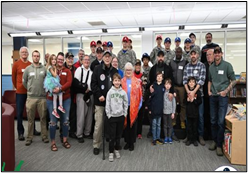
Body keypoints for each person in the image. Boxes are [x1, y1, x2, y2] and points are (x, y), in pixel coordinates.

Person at [208, 46, 236, 156]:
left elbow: (234, 81)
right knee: (213, 120)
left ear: (222, 54)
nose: (217, 54)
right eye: (215, 53)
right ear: (214, 54)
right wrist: (209, 91)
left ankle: (219, 145)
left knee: (220, 121)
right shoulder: (211, 67)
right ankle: (214, 141)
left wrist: (226, 91)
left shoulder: (227, 66)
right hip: (213, 96)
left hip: (222, 97)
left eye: (219, 53)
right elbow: (210, 80)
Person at [91, 50, 118, 155]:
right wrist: (99, 95)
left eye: (109, 57)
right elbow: (93, 84)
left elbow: (117, 85)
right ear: (102, 57)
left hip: (112, 104)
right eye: (105, 56)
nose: (107, 58)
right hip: (100, 102)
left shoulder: (114, 70)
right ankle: (96, 144)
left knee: (111, 124)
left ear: (111, 58)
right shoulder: (97, 69)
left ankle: (110, 142)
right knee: (99, 124)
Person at [148, 50, 178, 141]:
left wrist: (171, 92)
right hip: (156, 93)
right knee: (156, 114)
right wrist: (150, 87)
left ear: (164, 58)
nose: (160, 58)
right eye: (159, 56)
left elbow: (171, 81)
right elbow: (150, 81)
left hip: (165, 94)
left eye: (162, 56)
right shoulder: (153, 69)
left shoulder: (168, 68)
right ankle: (153, 133)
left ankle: (166, 134)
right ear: (157, 57)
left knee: (165, 116)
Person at [12, 46, 40, 141]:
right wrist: (18, 87)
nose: (24, 53)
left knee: (31, 112)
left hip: (30, 92)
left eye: (26, 52)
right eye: (22, 52)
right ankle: (20, 133)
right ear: (20, 54)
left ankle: (33, 130)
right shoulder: (16, 64)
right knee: (19, 113)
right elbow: (13, 78)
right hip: (20, 92)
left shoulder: (30, 64)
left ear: (28, 54)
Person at [46, 52, 72, 152]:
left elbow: (69, 83)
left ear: (64, 60)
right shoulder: (51, 69)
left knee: (65, 121)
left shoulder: (67, 71)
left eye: (62, 59)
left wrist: (60, 89)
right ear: (56, 60)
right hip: (51, 99)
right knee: (53, 122)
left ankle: (65, 140)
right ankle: (53, 143)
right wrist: (52, 89)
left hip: (65, 99)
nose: (60, 61)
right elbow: (47, 80)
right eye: (58, 59)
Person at [22, 50, 49, 146]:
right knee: (30, 119)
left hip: (42, 98)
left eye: (38, 56)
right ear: (32, 57)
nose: (36, 57)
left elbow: (48, 81)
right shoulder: (28, 69)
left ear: (39, 57)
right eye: (34, 56)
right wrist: (30, 89)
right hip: (31, 98)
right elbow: (24, 82)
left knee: (43, 118)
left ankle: (44, 136)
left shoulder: (44, 69)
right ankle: (29, 137)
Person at [183, 49, 206, 146]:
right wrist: (189, 92)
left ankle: (199, 136)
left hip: (198, 95)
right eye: (191, 54)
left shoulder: (202, 66)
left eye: (194, 54)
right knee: (188, 117)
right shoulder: (187, 66)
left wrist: (193, 92)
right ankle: (189, 136)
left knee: (200, 117)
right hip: (188, 96)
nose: (193, 56)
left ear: (197, 55)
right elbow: (184, 80)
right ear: (190, 56)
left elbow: (202, 80)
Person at [105, 73, 128, 162]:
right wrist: (109, 115)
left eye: (118, 80)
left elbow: (126, 103)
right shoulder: (110, 92)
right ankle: (111, 151)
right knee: (112, 136)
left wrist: (124, 114)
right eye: (115, 80)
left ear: (120, 81)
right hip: (112, 117)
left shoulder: (123, 92)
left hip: (120, 117)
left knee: (119, 135)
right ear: (113, 81)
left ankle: (116, 149)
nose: (117, 82)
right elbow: (107, 104)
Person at [121, 62, 142, 151]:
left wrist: (138, 107)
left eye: (130, 70)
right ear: (124, 71)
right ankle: (127, 142)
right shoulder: (122, 81)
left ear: (132, 70)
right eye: (127, 70)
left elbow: (140, 95)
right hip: (125, 107)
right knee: (126, 125)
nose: (128, 71)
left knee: (132, 125)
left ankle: (132, 142)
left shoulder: (137, 81)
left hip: (134, 107)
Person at [74, 55, 94, 143]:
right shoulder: (79, 70)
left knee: (89, 115)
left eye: (88, 60)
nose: (87, 61)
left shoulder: (92, 72)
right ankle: (79, 134)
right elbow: (76, 83)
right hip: (81, 94)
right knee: (81, 115)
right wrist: (84, 88)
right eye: (85, 60)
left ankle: (87, 132)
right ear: (82, 61)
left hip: (90, 94)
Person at [169, 47, 188, 129]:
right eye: (177, 52)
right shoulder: (171, 62)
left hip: (182, 87)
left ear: (182, 53)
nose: (178, 53)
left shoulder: (185, 62)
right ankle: (173, 121)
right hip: (174, 86)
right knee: (173, 105)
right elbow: (170, 75)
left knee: (183, 105)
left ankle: (182, 121)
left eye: (180, 52)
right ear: (175, 53)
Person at [44, 54, 65, 119]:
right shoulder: (50, 67)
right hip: (51, 82)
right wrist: (55, 68)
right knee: (60, 92)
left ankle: (55, 110)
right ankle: (60, 106)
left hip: (52, 80)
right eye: (52, 59)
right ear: (50, 60)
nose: (54, 60)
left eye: (55, 59)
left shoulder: (51, 67)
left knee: (55, 95)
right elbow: (55, 75)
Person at [185, 77, 202, 147]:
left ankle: (194, 140)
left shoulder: (198, 92)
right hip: (188, 113)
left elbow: (200, 101)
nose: (191, 83)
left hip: (195, 113)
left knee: (195, 127)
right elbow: (183, 101)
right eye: (190, 82)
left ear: (195, 84)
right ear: (188, 84)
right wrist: (187, 100)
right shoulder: (187, 92)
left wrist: (194, 101)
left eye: (193, 82)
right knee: (189, 127)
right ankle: (189, 139)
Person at [137, 53, 151, 139]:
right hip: (140, 94)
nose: (145, 61)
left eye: (147, 59)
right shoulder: (140, 69)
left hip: (148, 92)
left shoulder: (151, 69)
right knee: (139, 114)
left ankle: (150, 131)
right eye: (144, 59)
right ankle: (138, 131)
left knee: (149, 113)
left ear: (149, 60)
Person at [149, 72, 164, 145]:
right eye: (158, 76)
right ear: (156, 77)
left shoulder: (163, 86)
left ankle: (158, 137)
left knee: (159, 124)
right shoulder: (153, 86)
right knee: (154, 125)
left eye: (160, 76)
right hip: (154, 108)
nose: (159, 77)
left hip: (160, 108)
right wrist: (150, 109)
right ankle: (154, 138)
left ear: (162, 78)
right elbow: (150, 98)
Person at [64, 52, 77, 139]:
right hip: (64, 95)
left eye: (72, 58)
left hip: (73, 95)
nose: (70, 60)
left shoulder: (75, 69)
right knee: (64, 115)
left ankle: (72, 131)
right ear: (66, 59)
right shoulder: (62, 68)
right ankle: (63, 132)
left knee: (73, 114)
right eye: (69, 58)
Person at [203, 49, 214, 140]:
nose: (208, 56)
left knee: (213, 115)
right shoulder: (204, 66)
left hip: (214, 94)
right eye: (207, 55)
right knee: (205, 114)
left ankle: (213, 134)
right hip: (205, 95)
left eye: (210, 54)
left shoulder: (216, 65)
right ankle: (207, 133)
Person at [163, 78, 176, 144]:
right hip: (164, 112)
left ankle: (169, 137)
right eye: (166, 84)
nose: (167, 85)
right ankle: (166, 137)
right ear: (164, 85)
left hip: (170, 112)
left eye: (169, 84)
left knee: (170, 125)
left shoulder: (172, 94)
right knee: (165, 125)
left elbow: (174, 104)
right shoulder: (163, 92)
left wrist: (173, 112)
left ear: (171, 86)